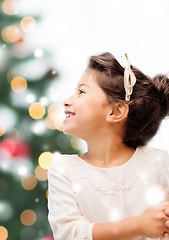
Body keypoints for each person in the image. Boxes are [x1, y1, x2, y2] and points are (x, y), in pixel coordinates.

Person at [47, 52, 169, 239]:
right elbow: (69, 233)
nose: (67, 100)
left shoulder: (161, 163)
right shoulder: (63, 170)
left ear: (116, 111)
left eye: (81, 92)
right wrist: (138, 226)